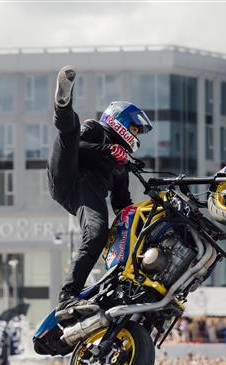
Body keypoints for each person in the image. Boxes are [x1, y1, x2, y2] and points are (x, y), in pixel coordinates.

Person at [48, 66, 153, 320]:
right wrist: (107, 150)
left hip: (85, 192)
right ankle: (63, 103)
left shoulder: (121, 165)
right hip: (68, 172)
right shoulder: (97, 129)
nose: (136, 134)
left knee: (97, 233)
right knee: (71, 132)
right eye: (135, 128)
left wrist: (149, 214)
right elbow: (79, 148)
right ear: (121, 120)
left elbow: (122, 204)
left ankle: (81, 295)